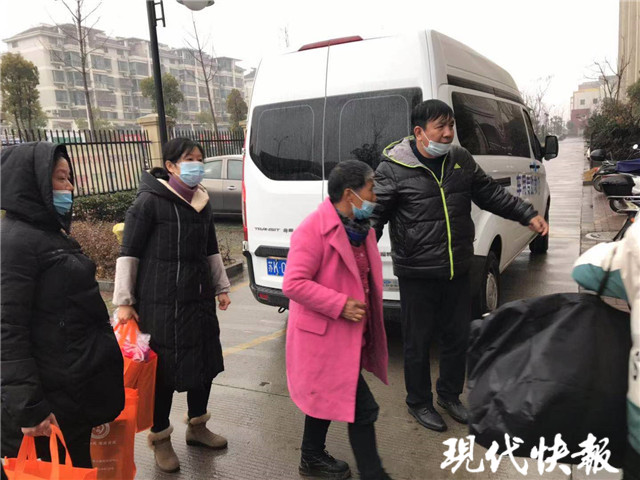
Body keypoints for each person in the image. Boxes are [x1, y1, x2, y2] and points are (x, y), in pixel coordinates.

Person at [371, 99, 548, 432]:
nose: (448, 133)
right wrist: (354, 256)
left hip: (457, 266)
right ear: (419, 132)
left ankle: (449, 395)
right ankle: (418, 401)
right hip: (417, 273)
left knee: (456, 337)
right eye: (440, 127)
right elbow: (374, 218)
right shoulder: (393, 169)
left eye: (451, 125)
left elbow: (491, 194)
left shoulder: (460, 160)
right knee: (417, 343)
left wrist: (526, 214)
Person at [1, 142, 125, 467]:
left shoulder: (48, 234)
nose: (69, 187)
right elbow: (7, 332)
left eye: (70, 178)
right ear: (33, 182)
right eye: (60, 178)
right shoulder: (14, 243)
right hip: (46, 406)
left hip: (69, 394)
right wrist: (30, 407)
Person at [113, 137, 231, 473]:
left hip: (199, 301)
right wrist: (124, 302)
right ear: (170, 166)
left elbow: (211, 249)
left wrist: (221, 287)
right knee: (162, 373)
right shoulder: (149, 202)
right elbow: (129, 252)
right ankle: (161, 438)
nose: (196, 164)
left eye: (199, 158)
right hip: (160, 304)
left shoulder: (202, 202)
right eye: (188, 159)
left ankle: (198, 426)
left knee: (205, 364)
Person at [283, 160, 392, 480]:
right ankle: (373, 474)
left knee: (328, 396)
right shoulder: (313, 229)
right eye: (371, 188)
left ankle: (311, 457)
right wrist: (339, 304)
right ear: (349, 194)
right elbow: (293, 284)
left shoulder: (361, 228)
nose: (375, 196)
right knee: (363, 409)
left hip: (349, 335)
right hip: (324, 338)